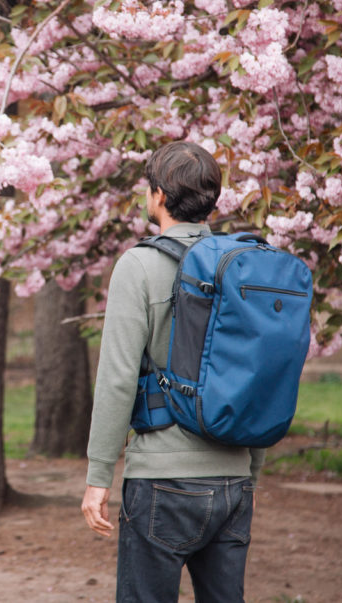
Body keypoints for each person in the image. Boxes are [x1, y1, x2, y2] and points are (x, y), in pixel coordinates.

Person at [81, 141, 265, 602]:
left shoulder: (139, 265)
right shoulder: (244, 265)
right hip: (233, 478)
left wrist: (98, 476)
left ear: (159, 195)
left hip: (162, 480)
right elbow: (261, 374)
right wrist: (251, 474)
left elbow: (118, 378)